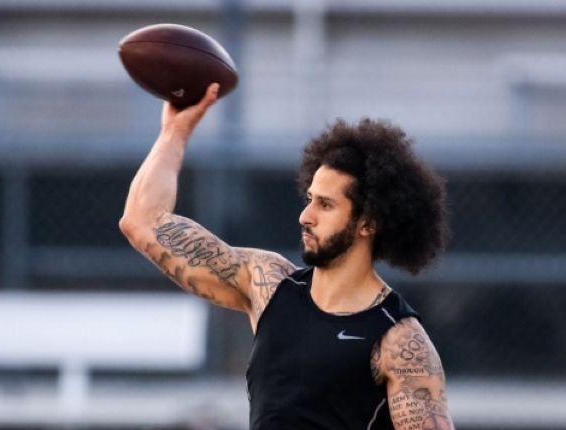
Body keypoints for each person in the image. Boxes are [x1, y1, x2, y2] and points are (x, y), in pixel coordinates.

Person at [119, 83, 454, 430]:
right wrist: (174, 133)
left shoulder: (400, 342)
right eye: (309, 199)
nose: (305, 216)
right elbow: (142, 222)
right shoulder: (269, 285)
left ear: (367, 223)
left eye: (325, 205)